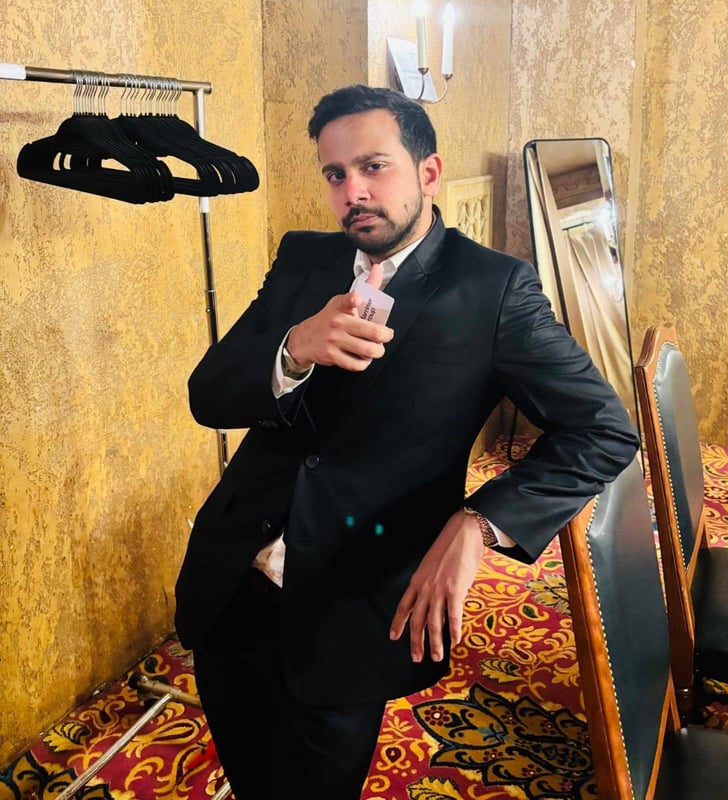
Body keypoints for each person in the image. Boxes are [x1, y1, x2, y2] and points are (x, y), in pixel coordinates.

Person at [174, 84, 639, 799]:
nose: (353, 192)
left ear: (428, 172)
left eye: (374, 167)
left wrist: (479, 523)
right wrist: (294, 348)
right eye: (335, 174)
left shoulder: (493, 290)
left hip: (352, 607)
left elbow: (603, 430)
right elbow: (208, 395)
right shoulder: (303, 259)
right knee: (249, 774)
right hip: (233, 581)